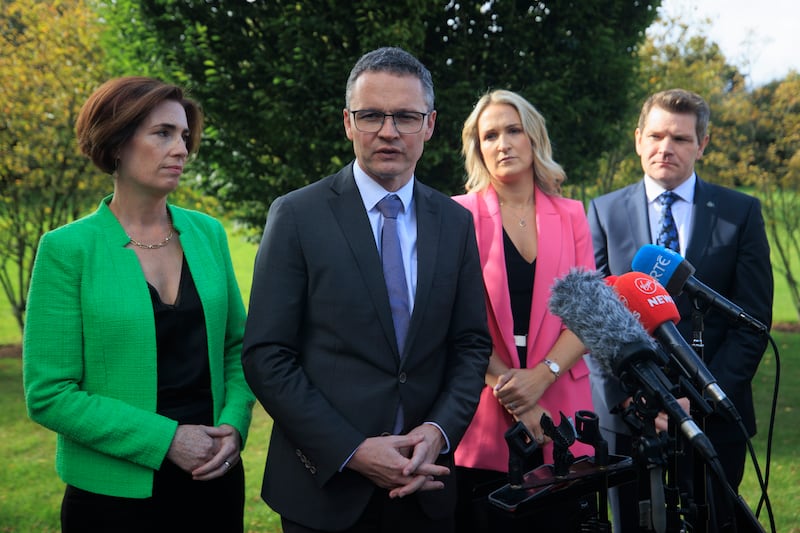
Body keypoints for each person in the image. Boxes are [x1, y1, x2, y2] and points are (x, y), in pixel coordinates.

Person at [241, 47, 492, 533]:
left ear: (430, 124)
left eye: (405, 116)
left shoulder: (456, 223)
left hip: (427, 485)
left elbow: (470, 344)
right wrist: (351, 450)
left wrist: (438, 433)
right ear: (348, 123)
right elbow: (267, 354)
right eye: (371, 115)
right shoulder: (296, 216)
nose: (388, 130)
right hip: (326, 492)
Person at [22, 77, 255, 532]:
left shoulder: (208, 234)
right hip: (112, 499)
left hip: (214, 480)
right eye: (163, 133)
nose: (182, 149)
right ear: (117, 143)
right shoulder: (67, 249)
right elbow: (49, 394)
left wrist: (234, 424)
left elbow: (238, 346)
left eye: (185, 136)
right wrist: (167, 439)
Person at [587, 88, 773, 531]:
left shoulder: (740, 212)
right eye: (655, 136)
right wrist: (631, 396)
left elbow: (752, 323)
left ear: (702, 144)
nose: (665, 147)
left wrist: (702, 398)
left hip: (715, 415)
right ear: (638, 139)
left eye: (681, 139)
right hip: (629, 416)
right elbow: (593, 320)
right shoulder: (603, 211)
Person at [452, 89, 597, 531]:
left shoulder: (572, 214)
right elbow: (455, 323)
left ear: (533, 138)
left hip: (563, 404)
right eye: (489, 135)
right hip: (484, 404)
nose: (503, 143)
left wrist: (542, 376)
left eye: (513, 130)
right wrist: (517, 394)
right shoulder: (457, 216)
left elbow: (588, 314)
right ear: (478, 149)